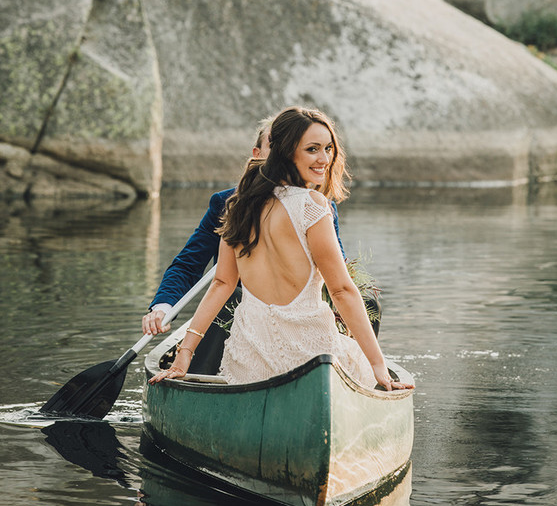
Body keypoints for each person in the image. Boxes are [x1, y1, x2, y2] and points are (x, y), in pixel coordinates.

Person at [150, 106, 413, 392]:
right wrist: (377, 365)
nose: (324, 158)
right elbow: (341, 291)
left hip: (250, 355)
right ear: (287, 152)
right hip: (309, 350)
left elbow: (221, 283)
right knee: (355, 355)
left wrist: (183, 355)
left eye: (328, 148)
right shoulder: (314, 205)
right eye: (313, 149)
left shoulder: (237, 206)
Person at [142, 117, 345, 337]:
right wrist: (163, 307)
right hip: (238, 313)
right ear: (257, 155)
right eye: (275, 146)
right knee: (233, 298)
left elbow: (339, 268)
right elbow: (189, 265)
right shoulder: (228, 203)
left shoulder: (320, 207)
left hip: (299, 314)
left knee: (368, 303)